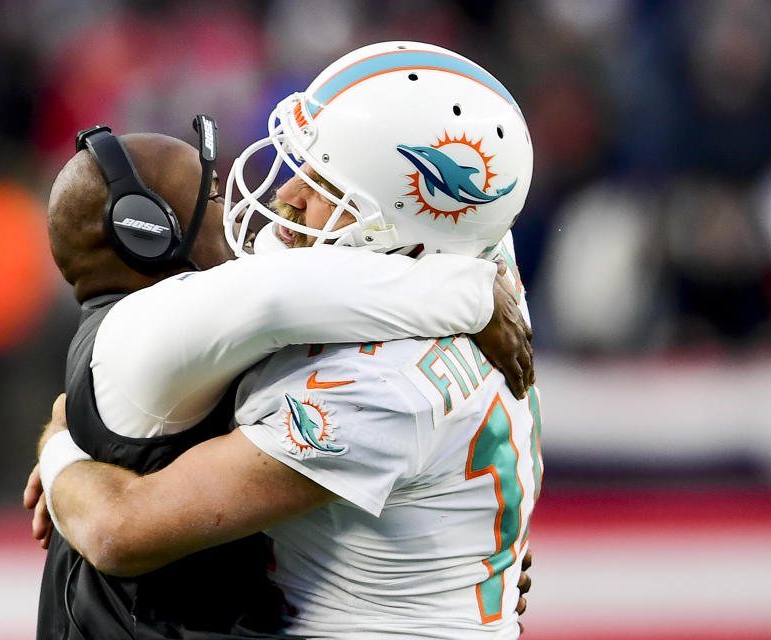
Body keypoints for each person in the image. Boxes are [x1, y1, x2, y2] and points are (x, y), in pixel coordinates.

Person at [34, 41, 540, 639]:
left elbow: (119, 531)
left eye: (325, 182)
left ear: (410, 212)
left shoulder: (378, 384)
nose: (284, 198)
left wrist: (63, 445)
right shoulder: (469, 254)